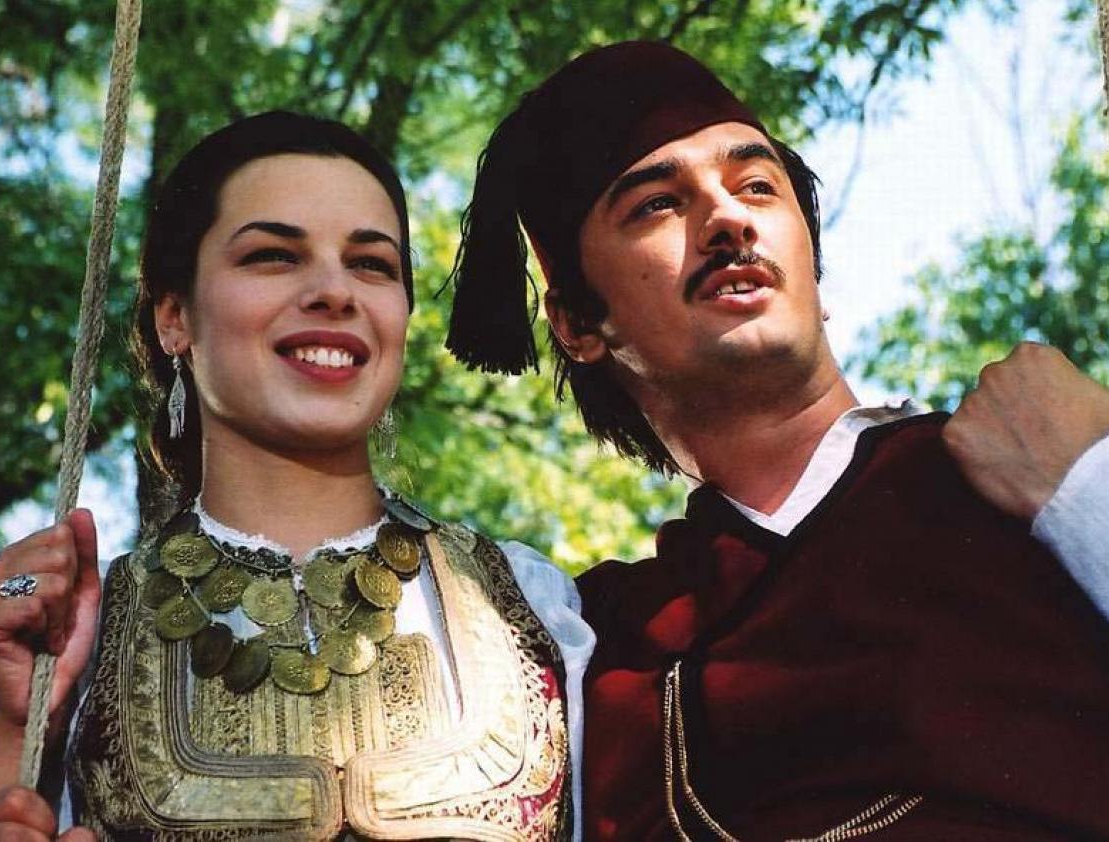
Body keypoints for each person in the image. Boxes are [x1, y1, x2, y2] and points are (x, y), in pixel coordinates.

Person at [445, 41, 1109, 840]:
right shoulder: (592, 644)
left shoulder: (1024, 469)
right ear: (578, 323)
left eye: (756, 186)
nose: (727, 220)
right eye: (656, 204)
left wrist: (1088, 479)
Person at [0, 111, 590, 841]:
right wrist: (16, 729)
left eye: (371, 264)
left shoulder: (528, 607)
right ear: (175, 318)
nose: (335, 291)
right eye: (273, 256)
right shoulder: (65, 635)